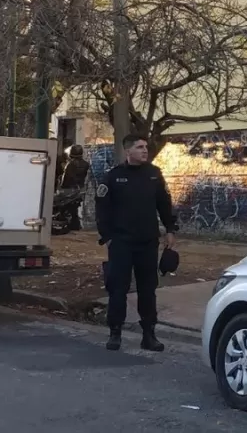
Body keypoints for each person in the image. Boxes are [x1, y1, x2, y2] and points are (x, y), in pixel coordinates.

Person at [95, 134, 177, 352]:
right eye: (139, 147)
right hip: (121, 242)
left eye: (145, 147)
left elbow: (164, 204)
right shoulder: (113, 177)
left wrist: (170, 229)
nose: (145, 150)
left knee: (148, 290)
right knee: (118, 289)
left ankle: (149, 334)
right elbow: (102, 209)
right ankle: (115, 332)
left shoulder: (154, 174)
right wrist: (108, 237)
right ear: (128, 151)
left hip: (147, 242)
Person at [55, 145, 91, 232]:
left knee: (60, 204)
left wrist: (60, 188)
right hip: (80, 190)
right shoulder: (86, 164)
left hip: (68, 191)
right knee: (73, 209)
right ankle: (74, 223)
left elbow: (66, 179)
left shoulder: (70, 165)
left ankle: (66, 221)